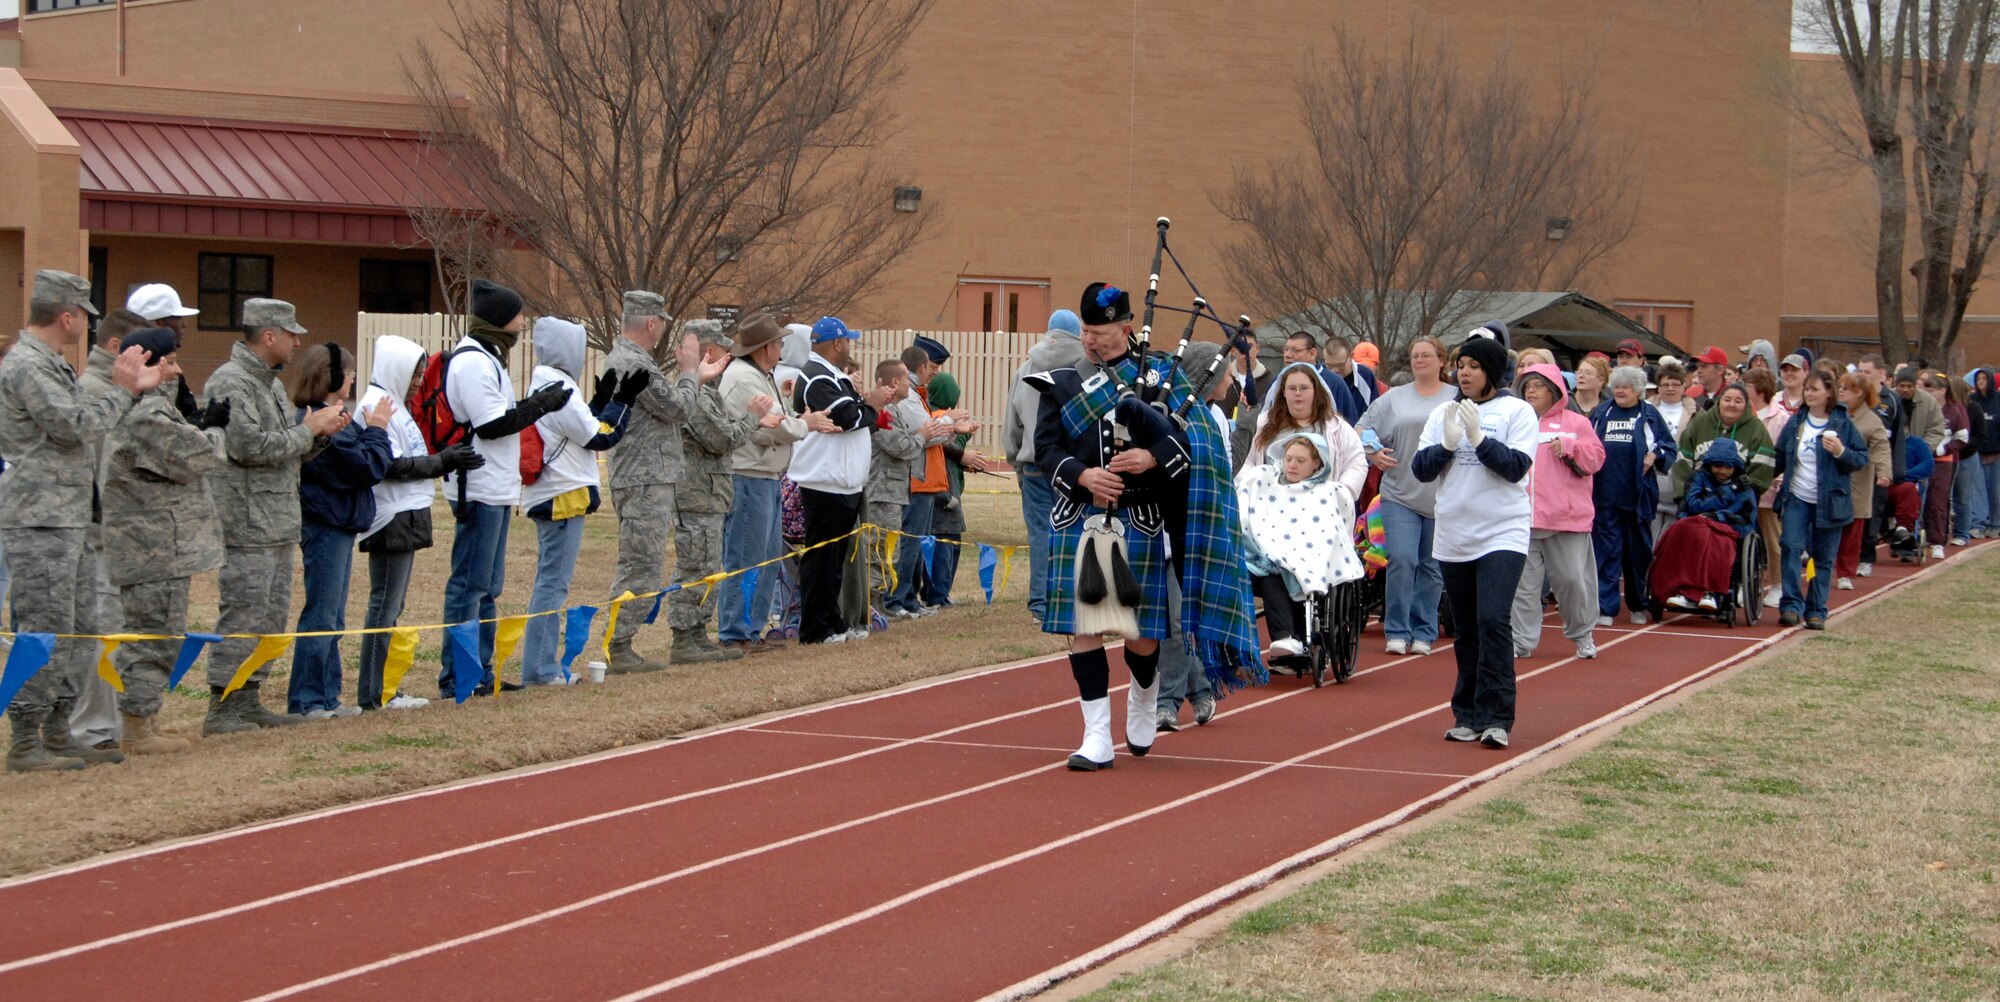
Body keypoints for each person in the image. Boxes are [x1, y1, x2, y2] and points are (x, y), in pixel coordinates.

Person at [1028, 281, 1260, 771]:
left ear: (1126, 328)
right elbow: (1044, 451)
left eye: (1101, 332)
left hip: (1141, 518)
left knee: (1141, 637)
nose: (1091, 341)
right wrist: (1082, 474)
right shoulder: (1062, 381)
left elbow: (1194, 446)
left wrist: (1151, 456)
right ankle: (1095, 737)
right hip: (1083, 515)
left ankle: (1143, 692)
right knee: (1084, 628)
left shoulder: (1161, 377)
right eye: (1087, 331)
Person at [0, 271, 159, 772]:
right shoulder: (28, 366)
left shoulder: (49, 364)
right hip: (39, 517)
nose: (84, 326)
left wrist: (125, 391)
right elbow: (73, 426)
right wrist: (124, 391)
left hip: (66, 516)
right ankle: (26, 739)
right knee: (47, 629)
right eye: (82, 316)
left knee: (79, 627)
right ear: (66, 315)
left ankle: (57, 728)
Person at [200, 297, 347, 735]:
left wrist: (318, 436)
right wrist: (309, 430)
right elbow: (249, 447)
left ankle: (248, 698)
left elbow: (287, 448)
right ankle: (222, 706)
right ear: (269, 336)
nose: (297, 340)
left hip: (277, 520)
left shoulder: (269, 384)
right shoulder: (231, 383)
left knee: (269, 617)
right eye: (291, 333)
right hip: (247, 523)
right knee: (243, 614)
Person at [437, 280, 572, 696]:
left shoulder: (488, 357)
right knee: (470, 586)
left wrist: (532, 406)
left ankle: (479, 670)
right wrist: (538, 406)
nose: (521, 323)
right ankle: (458, 676)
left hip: (495, 487)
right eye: (516, 315)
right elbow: (492, 424)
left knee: (488, 587)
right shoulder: (474, 362)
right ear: (498, 319)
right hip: (477, 487)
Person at [101, 327, 225, 755]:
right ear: (149, 365)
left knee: (162, 633)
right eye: (169, 362)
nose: (176, 370)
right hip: (149, 546)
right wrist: (215, 430)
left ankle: (146, 718)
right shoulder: (146, 415)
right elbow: (203, 456)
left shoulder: (153, 410)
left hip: (159, 544)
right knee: (152, 635)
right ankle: (136, 727)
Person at [1411, 335, 1538, 749]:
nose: (1464, 372)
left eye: (1474, 366)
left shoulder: (1517, 411)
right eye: (1460, 365)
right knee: (1466, 629)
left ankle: (1498, 717)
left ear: (1492, 372)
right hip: (1455, 533)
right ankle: (1467, 714)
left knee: (1493, 620)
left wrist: (1480, 439)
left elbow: (1516, 468)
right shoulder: (1443, 413)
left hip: (1503, 530)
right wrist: (1448, 444)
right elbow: (1421, 470)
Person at [354, 335, 479, 711]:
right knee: (384, 607)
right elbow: (391, 465)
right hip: (390, 516)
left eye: (421, 374)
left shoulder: (395, 405)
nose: (417, 381)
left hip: (405, 515)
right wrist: (443, 461)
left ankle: (383, 688)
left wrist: (441, 458)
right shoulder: (375, 405)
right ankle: (373, 695)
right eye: (413, 373)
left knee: (393, 606)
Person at [518, 317, 641, 685]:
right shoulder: (559, 387)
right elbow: (599, 436)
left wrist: (601, 400)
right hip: (562, 496)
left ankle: (541, 667)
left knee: (550, 582)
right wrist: (622, 402)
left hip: (553, 492)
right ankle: (540, 671)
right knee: (552, 585)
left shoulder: (547, 382)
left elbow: (577, 427)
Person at [602, 290, 714, 671]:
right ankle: (618, 646)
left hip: (647, 477)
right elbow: (679, 408)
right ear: (651, 323)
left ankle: (621, 643)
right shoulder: (634, 365)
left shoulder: (630, 360)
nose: (663, 328)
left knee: (644, 562)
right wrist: (689, 371)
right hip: (643, 479)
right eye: (662, 322)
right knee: (641, 564)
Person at [288, 344, 392, 718]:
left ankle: (327, 696)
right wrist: (377, 431)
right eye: (348, 375)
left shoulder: (338, 419)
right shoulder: (316, 420)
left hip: (340, 524)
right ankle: (307, 700)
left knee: (333, 616)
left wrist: (366, 433)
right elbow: (366, 467)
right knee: (321, 614)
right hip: (325, 524)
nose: (351, 382)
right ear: (331, 376)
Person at [69, 308, 153, 758]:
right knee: (98, 630)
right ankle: (90, 728)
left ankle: (109, 722)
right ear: (118, 348)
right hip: (97, 537)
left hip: (125, 537)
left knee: (117, 632)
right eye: (142, 349)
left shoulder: (126, 396)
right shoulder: (94, 393)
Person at [716, 313, 821, 654]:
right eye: (777, 341)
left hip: (764, 476)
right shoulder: (745, 379)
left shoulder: (760, 375)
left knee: (765, 556)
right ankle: (736, 631)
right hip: (748, 476)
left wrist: (793, 419)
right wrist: (807, 424)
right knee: (747, 556)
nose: (781, 346)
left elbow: (777, 419)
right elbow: (775, 426)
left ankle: (751, 629)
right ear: (765, 348)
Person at [792, 315, 893, 645]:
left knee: (834, 559)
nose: (851, 346)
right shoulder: (817, 376)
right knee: (822, 557)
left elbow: (859, 418)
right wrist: (871, 405)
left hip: (842, 480)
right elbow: (849, 418)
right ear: (837, 343)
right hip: (824, 480)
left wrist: (868, 408)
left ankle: (832, 619)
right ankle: (815, 627)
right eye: (848, 340)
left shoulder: (833, 375)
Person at [1358, 335, 1454, 656]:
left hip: (1442, 496)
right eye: (1415, 356)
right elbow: (1361, 428)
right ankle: (1397, 629)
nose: (1419, 361)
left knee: (1431, 566)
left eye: (1426, 355)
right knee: (1402, 559)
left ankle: (1424, 629)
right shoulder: (1394, 398)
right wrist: (1373, 451)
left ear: (1442, 361)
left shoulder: (1456, 397)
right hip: (1399, 491)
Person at [1510, 362, 1605, 660]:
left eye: (1537, 386)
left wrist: (1570, 447)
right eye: (1527, 386)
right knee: (1523, 587)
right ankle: (1521, 641)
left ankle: (1582, 634)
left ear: (1554, 391)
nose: (1531, 391)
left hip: (1566, 521)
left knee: (1573, 582)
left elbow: (1596, 460)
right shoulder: (1515, 421)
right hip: (1522, 520)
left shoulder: (1577, 423)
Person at [1238, 434, 1362, 659]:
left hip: (1303, 562)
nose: (1292, 465)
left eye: (1300, 461)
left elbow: (1332, 534)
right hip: (1260, 557)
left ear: (1317, 464)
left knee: (1275, 578)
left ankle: (1286, 637)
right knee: (1243, 576)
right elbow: (1251, 519)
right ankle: (1238, 650)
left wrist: (1292, 556)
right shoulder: (1265, 483)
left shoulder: (1329, 493)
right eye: (1288, 459)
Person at [1003, 310, 1085, 624]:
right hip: (1074, 467)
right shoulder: (1084, 367)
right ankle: (1073, 601)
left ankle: (1040, 604)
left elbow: (1012, 425)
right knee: (1076, 532)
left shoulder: (1025, 369)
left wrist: (1015, 462)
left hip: (1035, 465)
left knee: (1040, 534)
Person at [1773, 370, 1868, 629]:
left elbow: (1860, 459)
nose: (1810, 393)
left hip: (1831, 501)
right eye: (1807, 389)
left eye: (1815, 389)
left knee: (1822, 557)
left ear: (1829, 392)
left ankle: (1816, 609)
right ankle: (1791, 605)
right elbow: (1779, 456)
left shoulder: (1843, 424)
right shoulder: (1796, 423)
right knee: (1791, 547)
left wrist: (1841, 452)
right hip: (1797, 497)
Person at [1589, 365, 1676, 625]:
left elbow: (1668, 446)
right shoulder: (1602, 412)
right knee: (1607, 553)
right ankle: (1606, 608)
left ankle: (1638, 603)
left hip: (1639, 497)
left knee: (1637, 554)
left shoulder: (1649, 414)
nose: (1620, 391)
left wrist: (1654, 456)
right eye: (1616, 386)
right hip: (1605, 496)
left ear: (1638, 390)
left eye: (1625, 387)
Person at [865, 356, 945, 621]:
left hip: (893, 489)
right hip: (881, 490)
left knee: (891, 549)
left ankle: (880, 601)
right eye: (905, 381)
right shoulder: (883, 413)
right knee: (879, 549)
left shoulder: (894, 409)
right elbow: (902, 446)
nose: (910, 386)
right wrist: (922, 435)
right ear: (895, 381)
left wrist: (918, 436)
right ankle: (871, 603)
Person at [1651, 439, 1757, 612]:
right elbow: (1692, 504)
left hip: (1726, 530)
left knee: (1713, 540)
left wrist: (1716, 516)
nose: (1722, 471)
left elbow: (1746, 521)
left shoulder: (1744, 488)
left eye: (1728, 467)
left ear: (1735, 467)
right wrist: (1724, 496)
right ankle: (1678, 590)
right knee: (1681, 533)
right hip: (1694, 525)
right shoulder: (1697, 478)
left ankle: (1709, 591)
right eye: (1717, 466)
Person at [919, 353, 984, 608]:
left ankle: (941, 592)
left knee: (952, 541)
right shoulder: (937, 419)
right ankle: (936, 593)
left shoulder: (939, 416)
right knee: (943, 543)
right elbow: (948, 447)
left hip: (947, 487)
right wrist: (964, 446)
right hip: (941, 491)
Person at [1251, 362, 1367, 498]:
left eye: (1304, 388)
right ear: (1283, 392)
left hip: (1320, 508)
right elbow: (1244, 462)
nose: (1298, 393)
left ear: (1315, 391)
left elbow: (1356, 463)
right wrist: (1253, 490)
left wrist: (1341, 494)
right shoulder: (1263, 424)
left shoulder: (1337, 427)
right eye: (1292, 388)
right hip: (1269, 505)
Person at [1831, 373, 1892, 591]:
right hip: (1831, 479)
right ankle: (1820, 569)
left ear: (1859, 393)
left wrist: (1884, 472)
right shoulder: (1832, 413)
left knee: (1853, 529)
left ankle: (1846, 573)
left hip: (1858, 482)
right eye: (1839, 387)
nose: (1841, 391)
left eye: (1846, 388)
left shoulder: (1872, 421)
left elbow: (1881, 448)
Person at [1745, 368, 1790, 606]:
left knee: (1774, 540)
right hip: (1745, 488)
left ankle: (1778, 585)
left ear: (1760, 389)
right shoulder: (1744, 415)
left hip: (1770, 489)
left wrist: (1779, 482)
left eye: (1748, 386)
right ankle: (1745, 584)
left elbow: (1783, 455)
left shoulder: (1780, 418)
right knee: (1743, 537)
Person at [1927, 371, 1977, 547]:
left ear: (1943, 390)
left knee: (1947, 498)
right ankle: (1923, 535)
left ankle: (1948, 536)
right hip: (1924, 460)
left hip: (1948, 460)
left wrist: (1943, 449)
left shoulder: (1954, 410)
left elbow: (1963, 436)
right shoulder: (1924, 408)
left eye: (1930, 388)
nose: (1926, 391)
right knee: (1923, 499)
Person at [1970, 367, 2000, 537]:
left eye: (1984, 378)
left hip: (1996, 452)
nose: (1981, 382)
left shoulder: (1998, 400)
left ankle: (1995, 524)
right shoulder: (1973, 401)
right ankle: (1978, 524)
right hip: (1977, 452)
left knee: (1996, 490)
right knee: (1978, 490)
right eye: (1978, 378)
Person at [1322, 333, 1380, 416]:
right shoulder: (1320, 377)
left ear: (1351, 356)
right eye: (1329, 366)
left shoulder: (1365, 375)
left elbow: (1375, 412)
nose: (1335, 371)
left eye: (1340, 365)